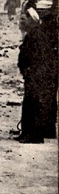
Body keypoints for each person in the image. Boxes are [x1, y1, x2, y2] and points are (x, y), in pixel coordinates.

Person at [16, 10, 58, 143]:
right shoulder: (33, 34)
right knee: (29, 103)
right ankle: (27, 132)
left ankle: (35, 135)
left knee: (35, 104)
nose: (20, 23)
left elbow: (38, 58)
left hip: (37, 76)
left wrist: (31, 71)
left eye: (23, 20)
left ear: (32, 21)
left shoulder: (36, 36)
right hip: (34, 75)